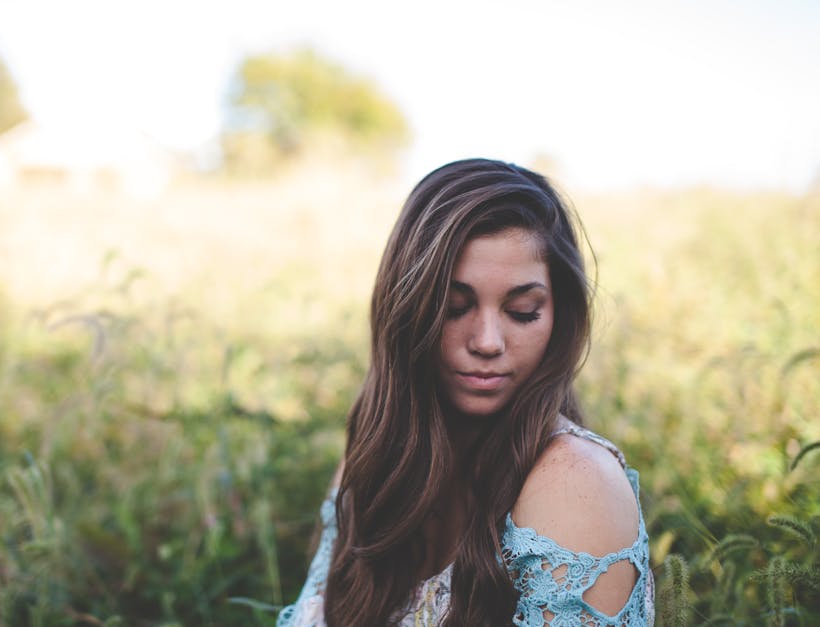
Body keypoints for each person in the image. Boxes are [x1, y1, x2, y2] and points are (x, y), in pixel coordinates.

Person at [277, 158, 654, 626]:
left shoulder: (573, 481)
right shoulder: (373, 457)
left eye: (522, 311)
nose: (488, 342)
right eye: (454, 307)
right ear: (407, 310)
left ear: (560, 317)